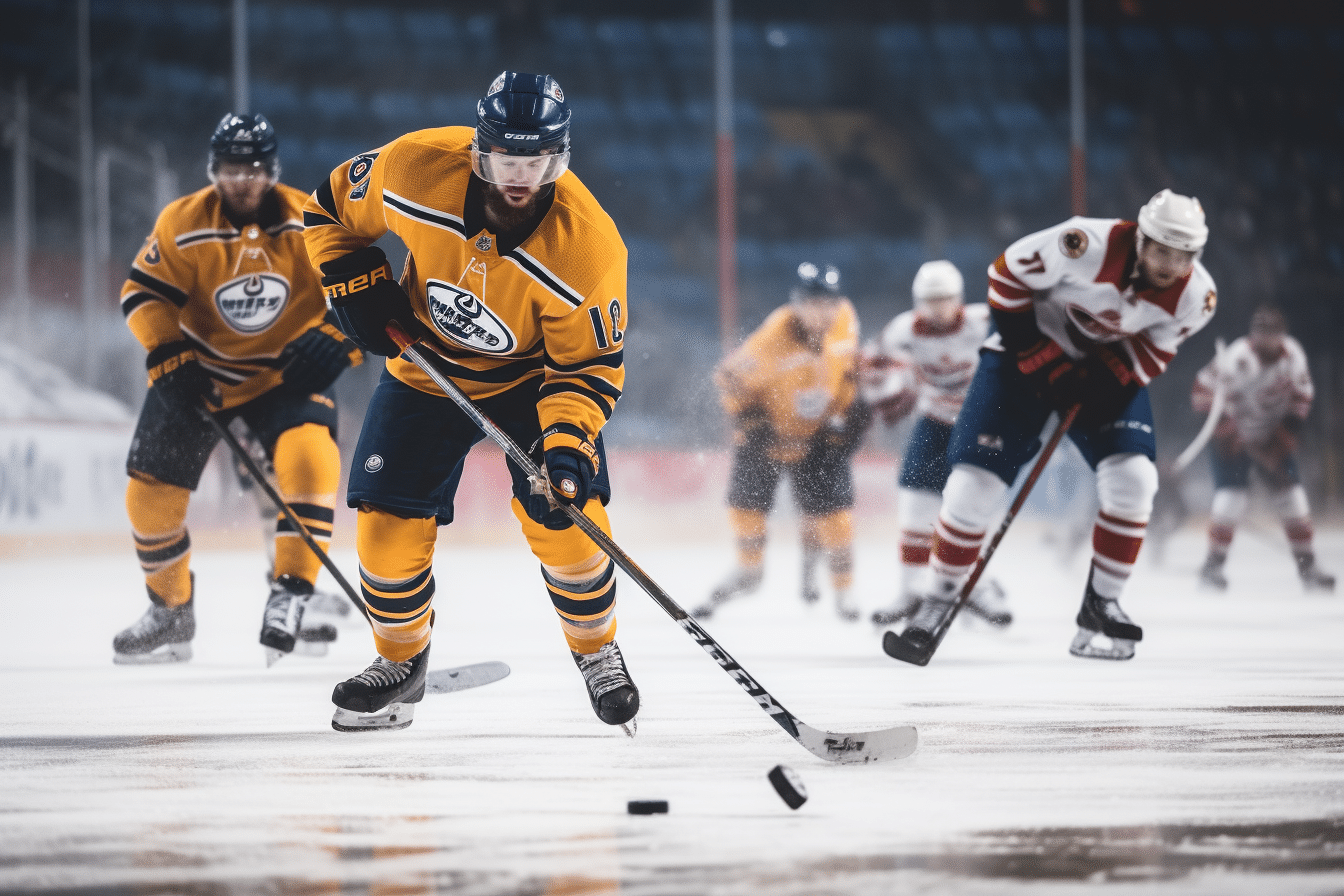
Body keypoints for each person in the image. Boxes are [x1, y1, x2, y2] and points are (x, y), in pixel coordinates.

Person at [303, 72, 637, 733]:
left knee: (568, 518)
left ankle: (598, 651)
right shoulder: (412, 168)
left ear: (558, 157)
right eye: (507, 159)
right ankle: (401, 663)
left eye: (535, 160)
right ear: (481, 151)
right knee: (383, 527)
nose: (519, 176)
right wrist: (351, 280)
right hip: (426, 369)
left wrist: (567, 445)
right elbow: (328, 210)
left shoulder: (590, 251)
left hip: (535, 384)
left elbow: (588, 368)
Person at [895, 189, 1218, 661]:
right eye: (1163, 251)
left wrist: (1103, 381)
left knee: (1135, 479)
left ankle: (1102, 602)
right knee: (972, 483)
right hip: (1020, 358)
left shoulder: (1197, 297)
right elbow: (1004, 279)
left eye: (1183, 255)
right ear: (1142, 239)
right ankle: (939, 598)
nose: (1171, 265)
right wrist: (1044, 358)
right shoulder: (1083, 244)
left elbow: (1152, 352)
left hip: (1099, 369)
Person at [113, 113, 363, 665]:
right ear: (213, 170)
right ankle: (170, 610)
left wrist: (337, 336)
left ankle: (292, 596)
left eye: (252, 168)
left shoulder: (309, 219)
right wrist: (166, 349)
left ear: (272, 170)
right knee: (149, 499)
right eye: (230, 168)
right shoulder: (183, 221)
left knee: (310, 460)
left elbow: (359, 291)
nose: (242, 179)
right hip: (199, 374)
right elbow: (142, 293)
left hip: (283, 377)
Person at [692, 262, 869, 623]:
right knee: (746, 507)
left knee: (835, 515)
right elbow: (727, 378)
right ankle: (748, 570)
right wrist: (752, 421)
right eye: (813, 304)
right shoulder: (773, 339)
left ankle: (843, 586)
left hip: (819, 437)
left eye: (829, 303)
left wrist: (850, 412)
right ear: (797, 305)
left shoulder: (846, 320)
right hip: (767, 439)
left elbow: (850, 369)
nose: (823, 313)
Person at [861, 260, 1010, 629]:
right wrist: (888, 390)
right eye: (929, 300)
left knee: (969, 506)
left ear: (959, 298)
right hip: (936, 419)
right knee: (915, 498)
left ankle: (976, 586)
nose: (937, 308)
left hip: (981, 421)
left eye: (944, 299)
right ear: (917, 301)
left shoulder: (984, 321)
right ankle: (912, 589)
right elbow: (871, 368)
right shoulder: (903, 330)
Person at [1193, 305, 1334, 592]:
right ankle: (1213, 566)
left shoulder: (1293, 357)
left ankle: (1307, 567)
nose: (1265, 339)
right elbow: (1201, 392)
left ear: (1282, 335)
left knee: (1292, 497)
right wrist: (1226, 431)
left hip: (1270, 437)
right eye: (1260, 333)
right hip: (1233, 440)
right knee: (1230, 499)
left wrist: (1281, 440)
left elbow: (1301, 399)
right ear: (1252, 334)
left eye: (1271, 333)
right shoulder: (1235, 358)